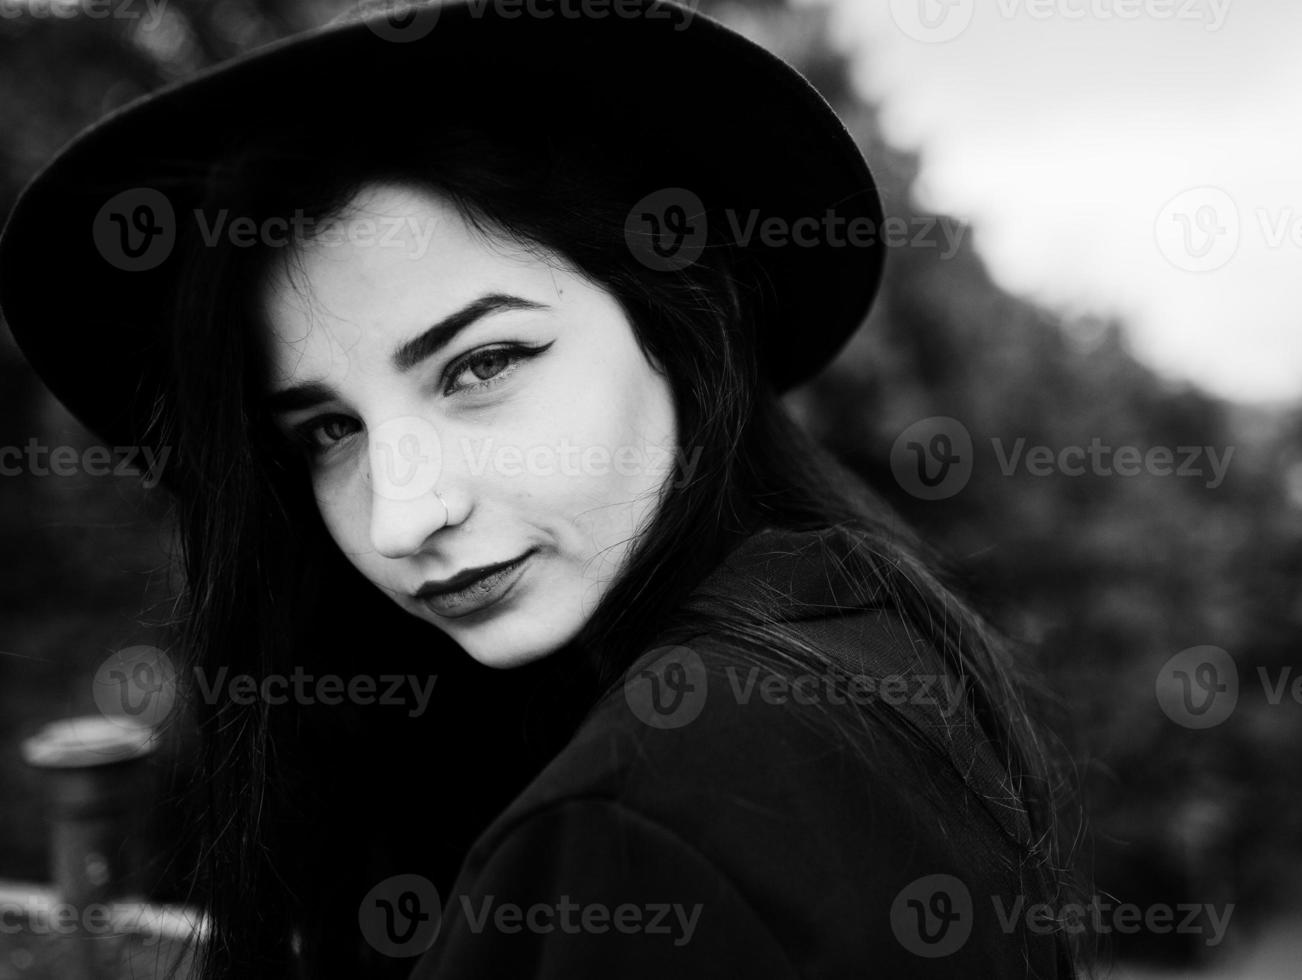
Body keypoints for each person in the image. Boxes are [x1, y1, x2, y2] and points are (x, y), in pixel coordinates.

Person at [0, 1, 1086, 976]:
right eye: (330, 430)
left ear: (679, 325)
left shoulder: (638, 822)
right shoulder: (862, 636)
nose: (403, 512)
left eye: (481, 366)